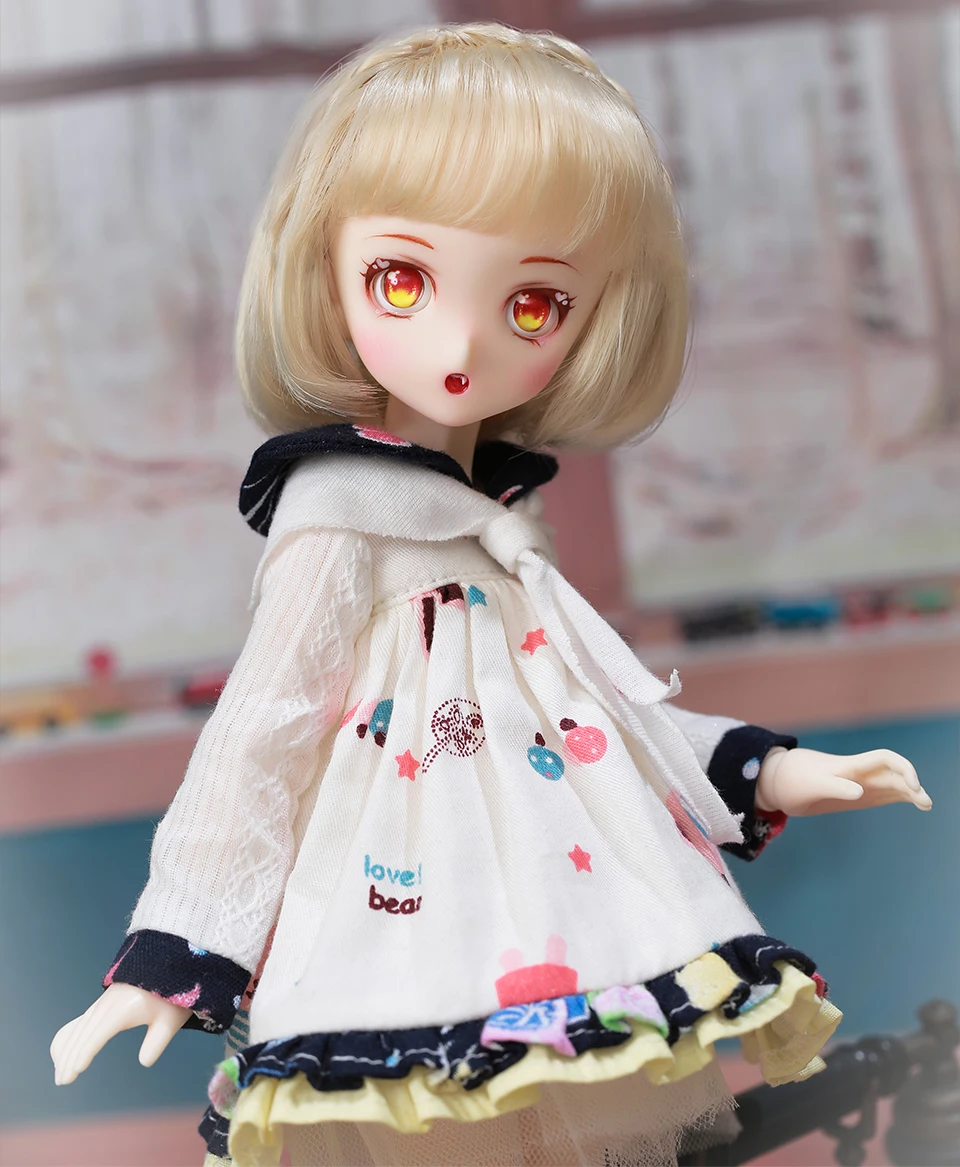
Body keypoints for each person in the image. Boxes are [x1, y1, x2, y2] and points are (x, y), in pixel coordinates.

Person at [50, 24, 931, 1167]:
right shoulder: (342, 516)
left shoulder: (496, 531)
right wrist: (177, 951)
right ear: (324, 269)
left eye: (533, 306)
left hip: (559, 925)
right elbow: (258, 735)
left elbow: (584, 707)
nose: (461, 342)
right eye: (402, 280)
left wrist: (764, 769)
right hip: (405, 936)